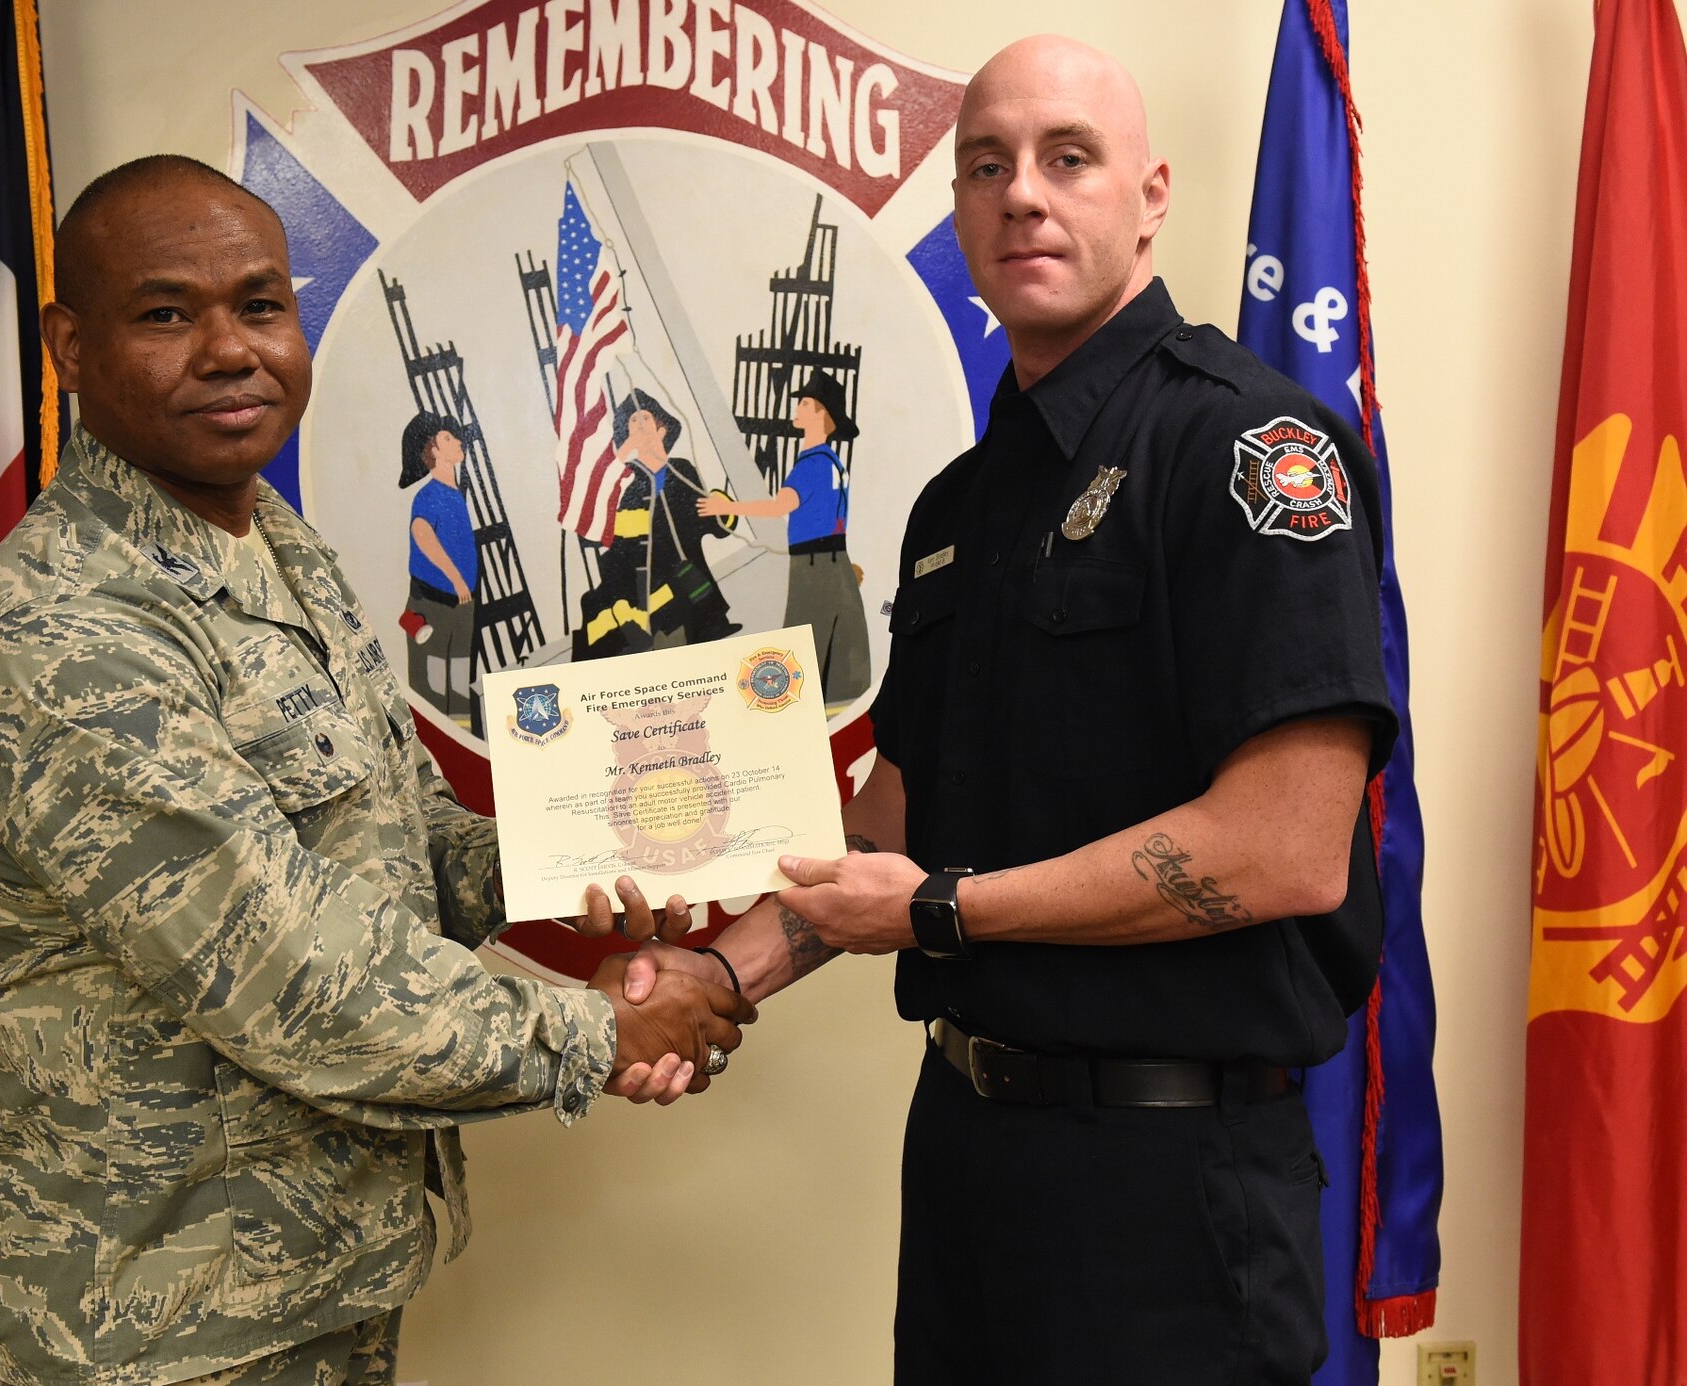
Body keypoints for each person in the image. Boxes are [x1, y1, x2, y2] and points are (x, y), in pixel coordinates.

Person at [624, 35, 1396, 1385]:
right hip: (975, 1153)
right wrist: (711, 971)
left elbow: (1286, 843)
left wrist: (941, 910)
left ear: (1149, 195)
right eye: (986, 166)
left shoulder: (1246, 452)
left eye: (1066, 158)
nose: (1021, 195)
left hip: (1174, 1184)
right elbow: (897, 817)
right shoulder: (959, 509)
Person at [0, 155, 752, 1386]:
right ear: (69, 347)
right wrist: (600, 1032)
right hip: (144, 1320)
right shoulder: (62, 631)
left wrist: (591, 842)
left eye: (258, 306)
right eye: (164, 313)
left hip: (310, 1277)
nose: (228, 350)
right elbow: (287, 967)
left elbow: (399, 837)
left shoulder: (272, 542)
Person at [697, 371, 871, 706]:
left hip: (813, 566)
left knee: (805, 642)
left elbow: (780, 506)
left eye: (806, 402)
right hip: (833, 560)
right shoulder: (832, 462)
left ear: (822, 415)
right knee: (840, 638)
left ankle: (794, 710)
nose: (799, 407)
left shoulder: (812, 464)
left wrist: (726, 505)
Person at [575, 389, 739, 658]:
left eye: (645, 419)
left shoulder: (682, 470)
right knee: (596, 603)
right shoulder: (625, 482)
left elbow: (709, 522)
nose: (639, 425)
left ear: (662, 429)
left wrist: (721, 507)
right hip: (638, 570)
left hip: (681, 567)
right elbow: (608, 531)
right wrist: (623, 454)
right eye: (633, 422)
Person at [397, 411, 476, 720]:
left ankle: (463, 737)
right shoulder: (430, 496)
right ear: (432, 450)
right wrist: (456, 578)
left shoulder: (455, 495)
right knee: (431, 684)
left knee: (459, 678)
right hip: (433, 605)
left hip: (461, 604)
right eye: (448, 438)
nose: (458, 442)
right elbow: (422, 532)